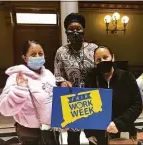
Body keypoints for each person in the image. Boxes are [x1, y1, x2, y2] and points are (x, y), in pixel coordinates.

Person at [0, 40, 60, 145]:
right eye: (33, 54)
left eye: (40, 54)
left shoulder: (48, 74)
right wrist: (19, 90)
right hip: (30, 133)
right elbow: (5, 109)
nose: (37, 56)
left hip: (51, 130)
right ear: (24, 57)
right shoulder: (16, 77)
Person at [84, 46, 143, 145]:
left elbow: (137, 104)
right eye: (98, 59)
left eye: (105, 57)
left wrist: (118, 123)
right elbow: (86, 106)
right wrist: (89, 132)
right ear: (94, 62)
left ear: (113, 58)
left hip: (123, 131)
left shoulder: (127, 77)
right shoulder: (91, 78)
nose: (102, 61)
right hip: (98, 135)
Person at [54, 13, 98, 145]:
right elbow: (57, 74)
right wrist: (62, 81)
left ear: (84, 30)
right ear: (66, 31)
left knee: (94, 135)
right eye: (71, 29)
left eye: (78, 28)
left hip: (93, 97)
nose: (75, 31)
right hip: (72, 100)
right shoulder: (61, 51)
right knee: (73, 136)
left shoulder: (93, 48)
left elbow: (102, 70)